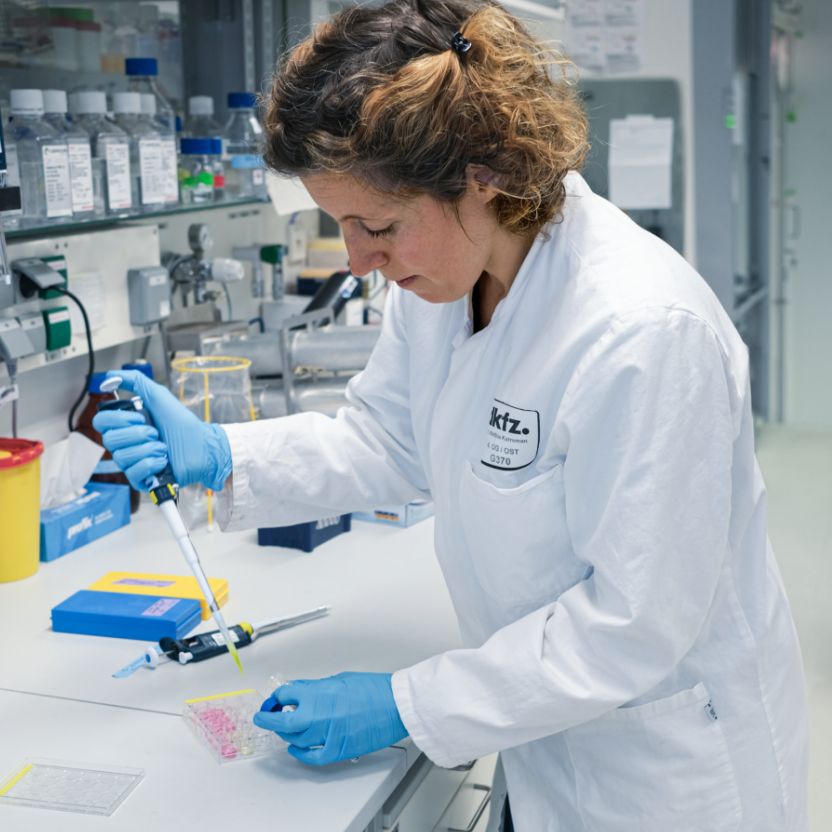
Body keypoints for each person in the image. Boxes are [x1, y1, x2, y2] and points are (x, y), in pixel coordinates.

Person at [94, 1, 808, 829]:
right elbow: (389, 437)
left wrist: (406, 704)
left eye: (379, 226)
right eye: (342, 227)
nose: (359, 260)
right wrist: (225, 455)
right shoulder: (443, 279)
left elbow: (631, 626)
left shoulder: (642, 333)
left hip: (663, 774)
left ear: (485, 176)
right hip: (543, 739)